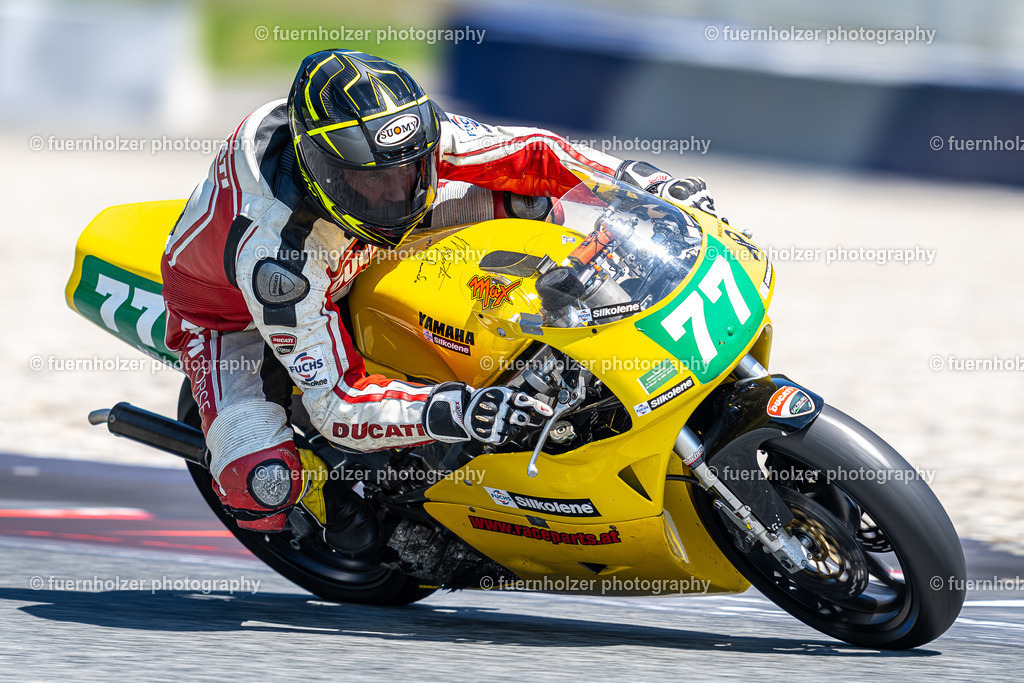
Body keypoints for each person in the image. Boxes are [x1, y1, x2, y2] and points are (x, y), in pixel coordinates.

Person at [160, 49, 724, 541]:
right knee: (259, 481)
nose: (395, 194)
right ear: (318, 170)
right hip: (234, 317)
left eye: (408, 171)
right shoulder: (277, 255)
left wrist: (644, 183)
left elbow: (536, 153)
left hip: (356, 240)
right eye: (371, 181)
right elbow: (336, 403)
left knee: (539, 202)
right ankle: (320, 495)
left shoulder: (400, 138)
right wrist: (462, 411)